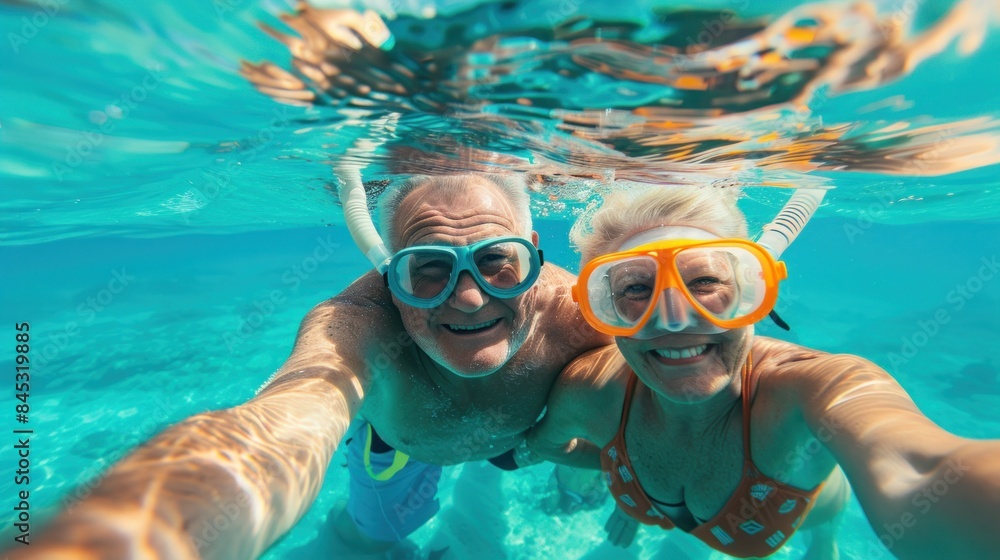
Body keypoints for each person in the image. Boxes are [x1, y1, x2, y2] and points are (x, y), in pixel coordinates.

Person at [10, 174, 611, 559]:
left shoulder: (580, 311)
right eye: (427, 268)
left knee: (582, 486)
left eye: (497, 261)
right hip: (405, 444)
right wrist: (130, 540)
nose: (470, 297)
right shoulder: (356, 322)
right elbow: (288, 419)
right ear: (387, 272)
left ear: (535, 250)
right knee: (372, 538)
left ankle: (511, 473)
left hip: (533, 436)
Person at [526, 184, 1000, 559]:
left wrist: (624, 467)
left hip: (808, 510)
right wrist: (620, 469)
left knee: (824, 517)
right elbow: (545, 444)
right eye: (635, 289)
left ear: (753, 290)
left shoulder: (812, 388)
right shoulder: (592, 390)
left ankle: (825, 538)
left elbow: (922, 471)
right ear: (603, 309)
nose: (673, 318)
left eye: (705, 281)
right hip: (646, 497)